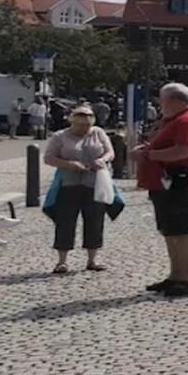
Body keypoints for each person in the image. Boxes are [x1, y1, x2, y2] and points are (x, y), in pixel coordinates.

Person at [133, 81, 188, 296]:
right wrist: (148, 148)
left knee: (181, 232)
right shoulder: (173, 120)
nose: (159, 104)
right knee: (170, 231)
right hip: (164, 183)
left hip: (178, 182)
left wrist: (148, 155)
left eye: (162, 100)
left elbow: (182, 151)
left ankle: (186, 279)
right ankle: (175, 276)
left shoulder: (187, 120)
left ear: (174, 100)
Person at [42, 102, 115, 274]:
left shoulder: (98, 133)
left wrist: (102, 160)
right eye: (80, 125)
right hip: (68, 184)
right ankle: (62, 261)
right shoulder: (60, 136)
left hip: (94, 183)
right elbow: (49, 158)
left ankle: (92, 260)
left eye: (87, 125)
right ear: (72, 122)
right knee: (65, 222)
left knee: (95, 221)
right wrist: (69, 164)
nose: (84, 129)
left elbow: (110, 152)